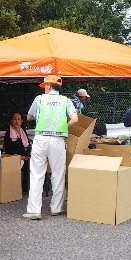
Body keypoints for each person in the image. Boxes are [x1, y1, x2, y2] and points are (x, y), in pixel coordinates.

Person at [24, 74, 78, 219]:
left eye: (45, 86)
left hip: (41, 139)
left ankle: (34, 211)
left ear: (48, 85)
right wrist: (64, 126)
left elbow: (29, 117)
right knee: (58, 174)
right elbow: (75, 119)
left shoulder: (39, 99)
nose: (44, 88)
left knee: (37, 174)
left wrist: (37, 116)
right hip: (58, 140)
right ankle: (56, 208)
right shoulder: (66, 100)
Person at [2, 111, 31, 193]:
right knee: (26, 164)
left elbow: (28, 145)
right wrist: (20, 157)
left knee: (34, 162)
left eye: (19, 119)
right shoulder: (8, 133)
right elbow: (8, 150)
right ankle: (25, 188)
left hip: (25, 157)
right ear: (11, 120)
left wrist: (27, 155)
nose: (17, 121)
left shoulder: (23, 131)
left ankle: (34, 187)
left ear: (21, 121)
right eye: (15, 119)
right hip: (14, 158)